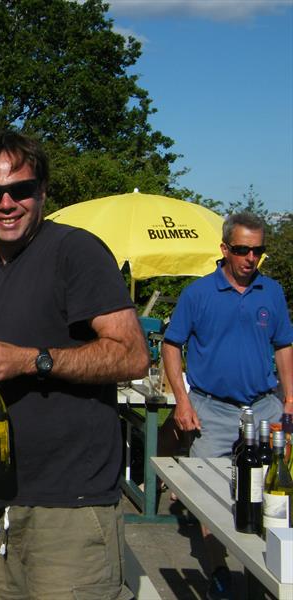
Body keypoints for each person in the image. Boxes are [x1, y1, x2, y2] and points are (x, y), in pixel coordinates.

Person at [0, 131, 149, 600]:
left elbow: (132, 355)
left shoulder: (76, 252)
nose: (6, 203)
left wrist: (33, 360)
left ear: (41, 191)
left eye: (20, 189)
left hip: (69, 501)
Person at [161, 211, 293, 600]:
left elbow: (284, 345)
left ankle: (272, 566)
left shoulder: (271, 292)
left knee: (277, 492)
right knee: (212, 497)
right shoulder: (198, 293)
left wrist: (290, 398)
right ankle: (219, 569)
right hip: (213, 409)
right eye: (242, 250)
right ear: (224, 249)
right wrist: (182, 401)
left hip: (264, 407)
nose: (251, 259)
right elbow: (171, 345)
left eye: (258, 251)